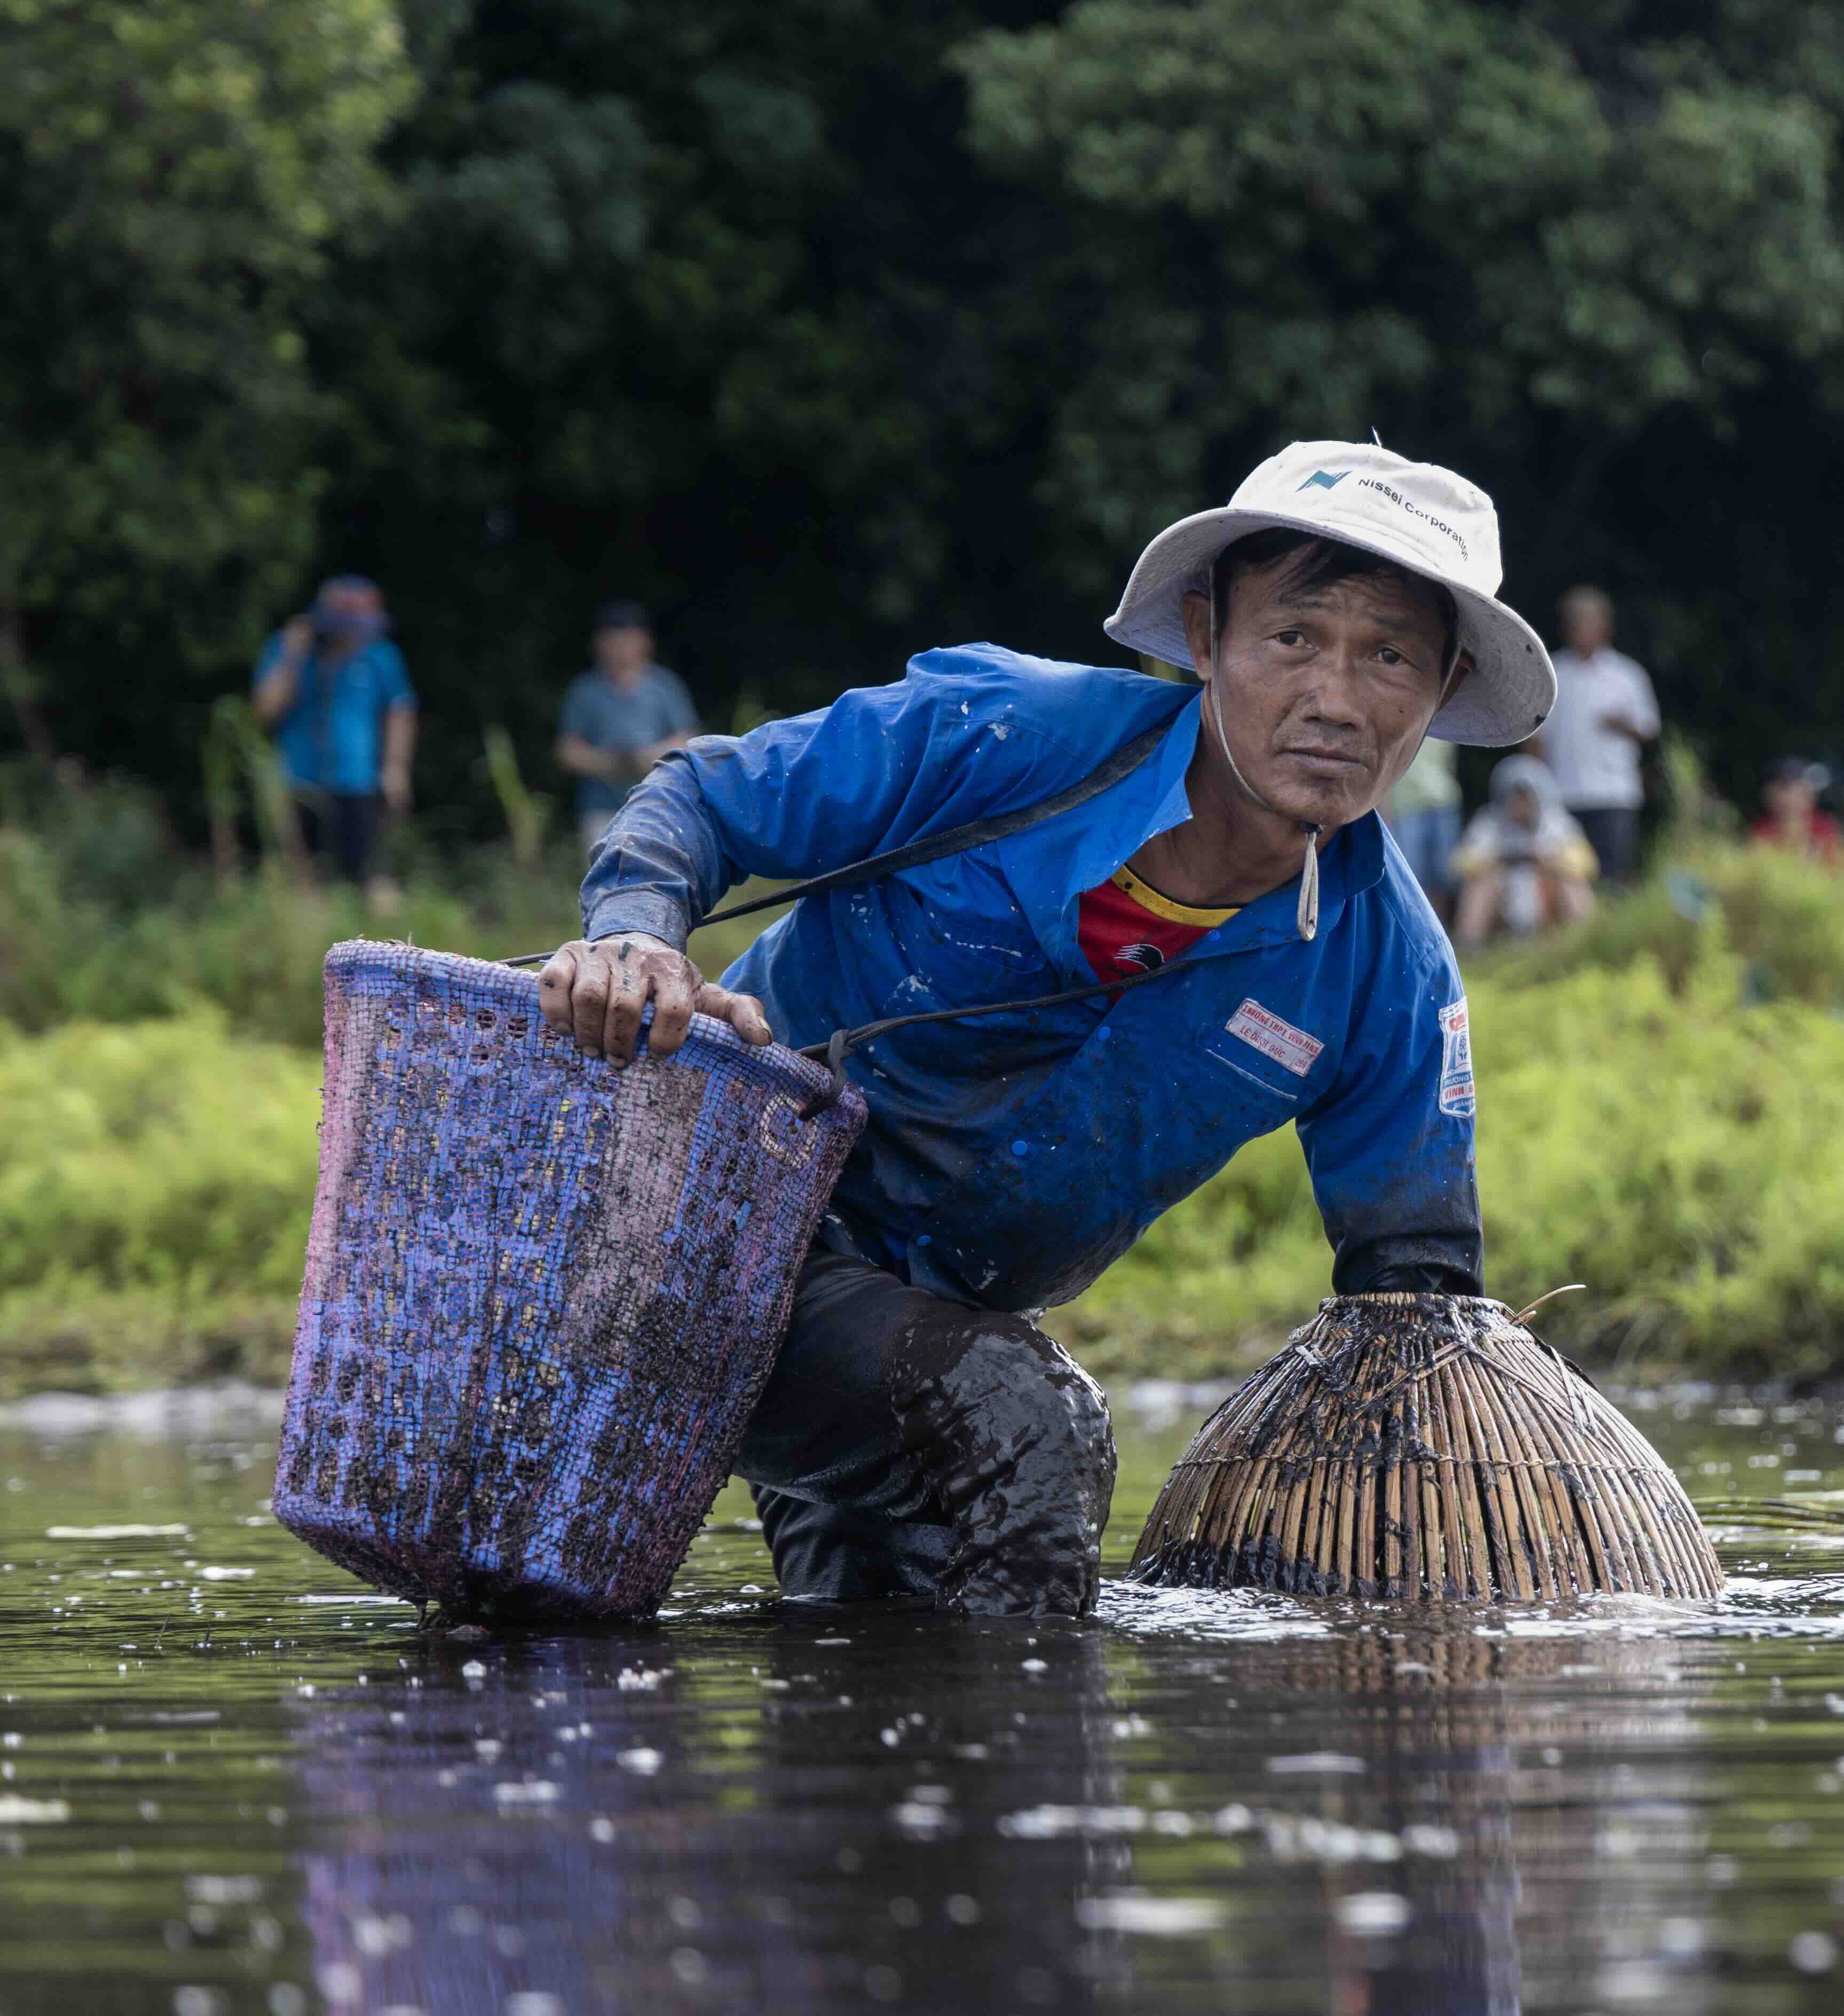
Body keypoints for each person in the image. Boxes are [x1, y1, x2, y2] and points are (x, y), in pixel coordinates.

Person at [536, 440, 1555, 1615]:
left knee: (887, 1641)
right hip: (695, 1239)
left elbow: (1413, 1291)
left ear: (1441, 692)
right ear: (1206, 631)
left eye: (1390, 657)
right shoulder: (1004, 731)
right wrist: (637, 937)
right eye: (1292, 640)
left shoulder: (1389, 972)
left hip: (916, 1341)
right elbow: (703, 797)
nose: (1336, 699)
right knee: (1030, 1421)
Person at [249, 574, 415, 886]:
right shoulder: (290, 650)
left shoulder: (380, 655)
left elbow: (400, 711)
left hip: (358, 783)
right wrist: (291, 657)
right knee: (300, 878)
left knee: (370, 876)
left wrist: (396, 769)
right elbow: (265, 710)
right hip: (298, 781)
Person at [1532, 584, 1658, 883]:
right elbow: (1535, 737)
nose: (1582, 628)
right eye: (1576, 621)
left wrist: (1622, 725)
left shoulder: (1627, 675)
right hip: (1563, 792)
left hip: (1614, 792)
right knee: (1567, 875)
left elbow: (1649, 731)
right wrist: (1538, 787)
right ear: (1565, 627)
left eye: (1590, 620)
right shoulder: (1552, 673)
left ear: (1605, 625)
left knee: (1614, 876)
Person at [555, 599, 700, 853]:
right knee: (602, 882)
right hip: (599, 808)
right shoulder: (585, 690)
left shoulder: (664, 685)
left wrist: (650, 757)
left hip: (658, 802)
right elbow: (567, 752)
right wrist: (613, 763)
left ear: (646, 642)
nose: (622, 648)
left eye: (629, 639)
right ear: (598, 645)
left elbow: (688, 739)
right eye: (613, 640)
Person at [1451, 753, 1597, 948]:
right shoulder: (1489, 822)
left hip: (1545, 897)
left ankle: (1582, 944)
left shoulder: (1557, 823)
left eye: (1526, 798)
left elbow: (1587, 864)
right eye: (1516, 798)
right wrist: (1499, 859)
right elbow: (1460, 864)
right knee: (1479, 885)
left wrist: (1547, 860)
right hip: (1503, 899)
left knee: (1572, 883)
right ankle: (1470, 947)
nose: (1521, 805)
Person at [1384, 733, 1463, 921]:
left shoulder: (1448, 728)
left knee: (1442, 875)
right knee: (1412, 874)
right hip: (1407, 805)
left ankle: (1438, 928)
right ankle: (1414, 926)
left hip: (1444, 801)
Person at [1750, 756, 1844, 867]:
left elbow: (1839, 870)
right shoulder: (1762, 831)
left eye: (1799, 790)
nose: (1791, 798)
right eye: (1784, 789)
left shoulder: (1826, 828)